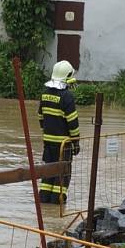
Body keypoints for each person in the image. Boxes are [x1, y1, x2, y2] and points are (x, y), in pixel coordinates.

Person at [37, 60, 81, 204]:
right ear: (67, 76)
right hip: (64, 144)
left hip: (48, 143)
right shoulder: (66, 97)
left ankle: (44, 200)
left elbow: (40, 117)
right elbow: (73, 123)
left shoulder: (45, 94)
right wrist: (76, 142)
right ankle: (57, 203)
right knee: (63, 173)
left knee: (48, 172)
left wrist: (48, 130)